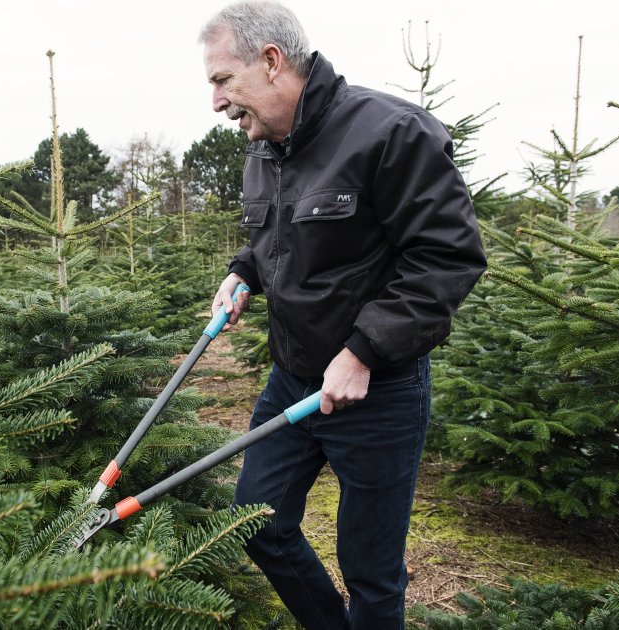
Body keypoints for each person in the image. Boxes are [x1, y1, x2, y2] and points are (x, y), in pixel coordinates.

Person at [200, 3, 487, 629]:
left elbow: (448, 256)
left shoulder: (392, 132)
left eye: (223, 80)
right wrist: (242, 271)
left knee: (370, 569)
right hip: (292, 380)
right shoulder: (264, 146)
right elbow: (276, 234)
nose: (217, 102)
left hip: (377, 390)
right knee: (256, 522)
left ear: (272, 62)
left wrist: (363, 351)